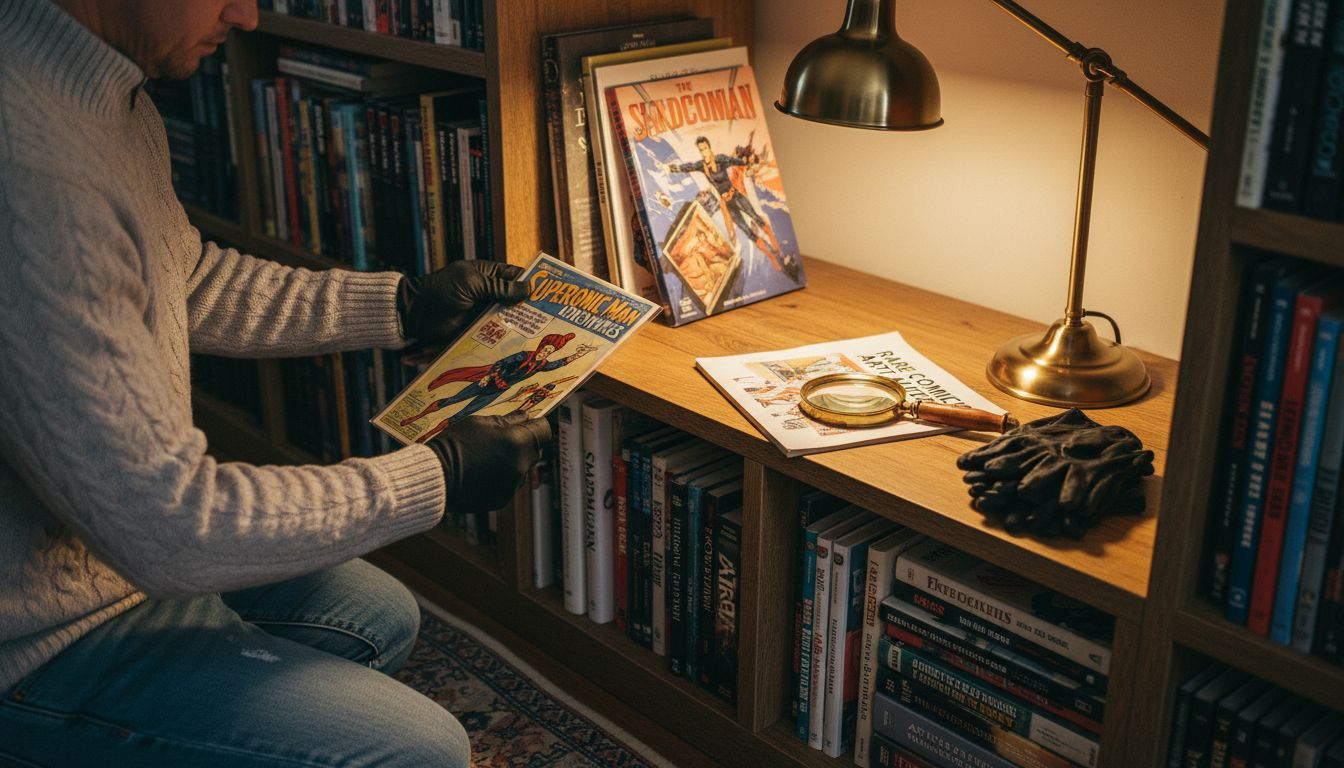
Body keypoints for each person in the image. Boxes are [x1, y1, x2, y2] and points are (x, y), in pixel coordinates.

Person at [0, 1, 550, 766]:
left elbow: (181, 276)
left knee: (373, 612)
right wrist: (437, 475)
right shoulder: (32, 172)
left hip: (107, 553)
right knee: (421, 751)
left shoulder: (103, 94)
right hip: (31, 638)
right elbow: (173, 531)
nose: (248, 14)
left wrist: (403, 305)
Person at [398, 333, 596, 441]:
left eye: (551, 351)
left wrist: (578, 355)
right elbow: (500, 363)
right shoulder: (523, 355)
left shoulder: (541, 365)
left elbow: (560, 364)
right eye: (546, 348)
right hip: (486, 382)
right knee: (450, 401)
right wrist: (488, 376)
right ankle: (416, 417)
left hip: (496, 391)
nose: (546, 353)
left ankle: (427, 435)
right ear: (541, 346)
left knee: (461, 415)